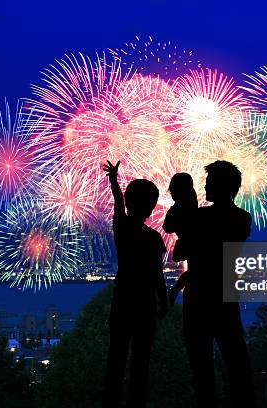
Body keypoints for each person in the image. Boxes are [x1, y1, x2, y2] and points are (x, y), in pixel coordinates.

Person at [180, 160, 256, 408]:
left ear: (222, 187)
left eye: (209, 182)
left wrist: (188, 209)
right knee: (236, 361)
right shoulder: (243, 219)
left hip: (198, 299)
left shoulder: (199, 217)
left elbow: (180, 251)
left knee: (201, 367)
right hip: (225, 296)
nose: (204, 186)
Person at [102, 160, 168, 408]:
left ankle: (110, 401)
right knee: (141, 359)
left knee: (116, 356)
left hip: (123, 299)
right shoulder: (153, 237)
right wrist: (163, 300)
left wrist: (114, 180)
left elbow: (118, 204)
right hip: (145, 303)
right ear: (151, 207)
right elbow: (157, 274)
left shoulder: (122, 227)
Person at [162, 172, 198, 305]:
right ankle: (175, 290)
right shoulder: (194, 209)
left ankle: (175, 290)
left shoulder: (179, 209)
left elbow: (167, 227)